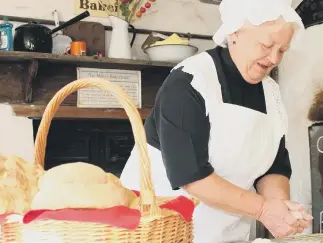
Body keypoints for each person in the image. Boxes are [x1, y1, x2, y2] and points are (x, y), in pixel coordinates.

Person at [120, 0, 312, 242]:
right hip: (160, 232)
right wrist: (263, 209)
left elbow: (274, 166)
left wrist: (279, 208)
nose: (273, 58)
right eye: (266, 45)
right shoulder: (190, 82)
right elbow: (191, 175)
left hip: (226, 235)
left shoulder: (270, 92)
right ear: (234, 33)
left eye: (282, 50)